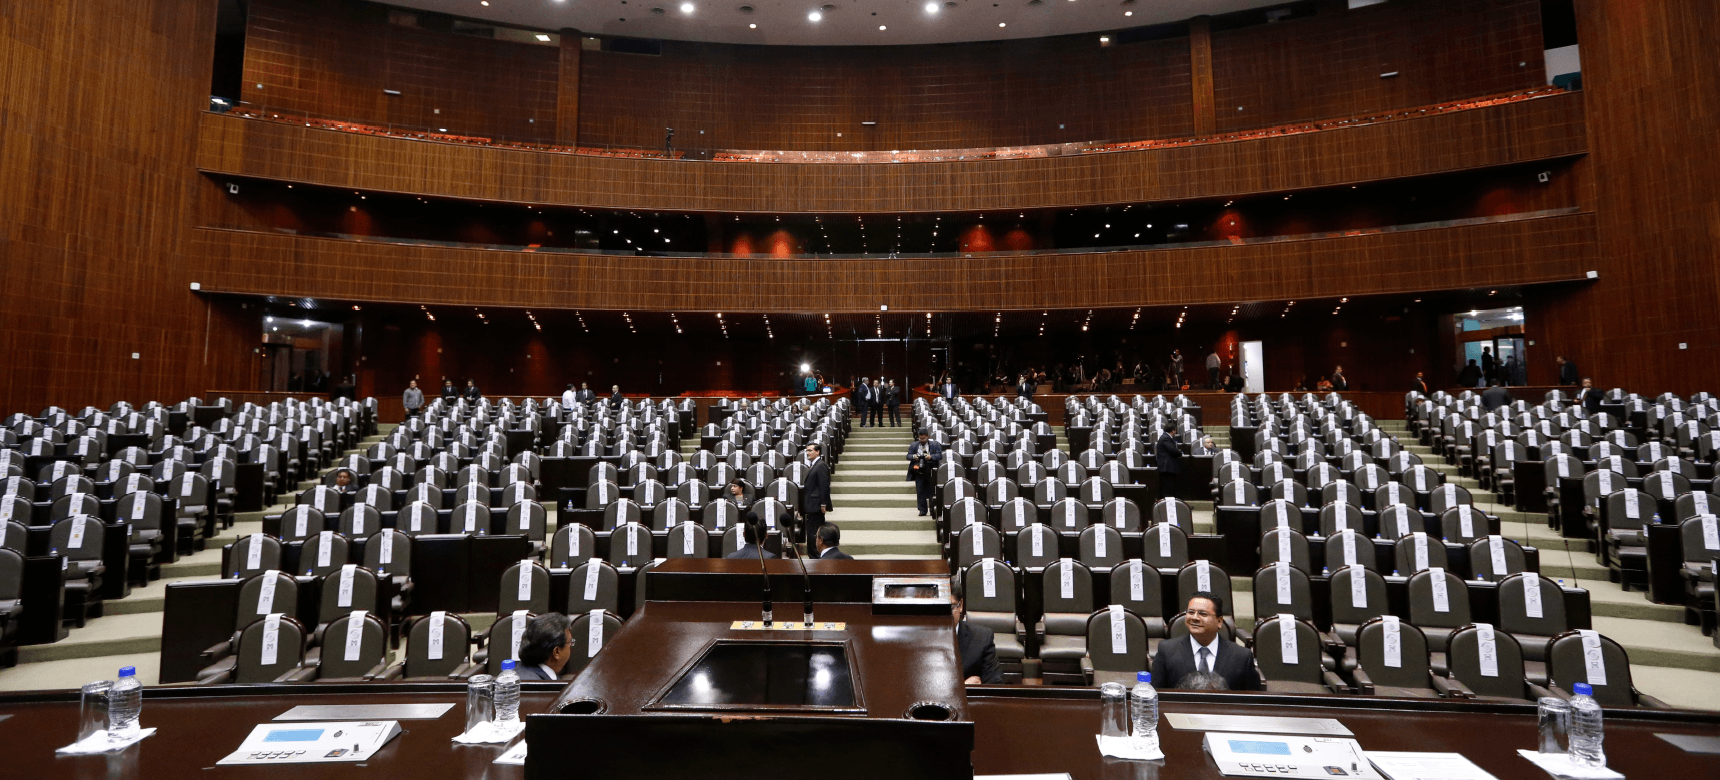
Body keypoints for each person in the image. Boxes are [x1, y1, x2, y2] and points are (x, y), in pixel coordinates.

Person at [1150, 592, 1262, 691]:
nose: (1194, 618)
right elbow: (1155, 693)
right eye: (1191, 612)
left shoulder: (1242, 656)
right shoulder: (1167, 650)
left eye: (1202, 614)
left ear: (1219, 621)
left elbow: (1253, 699)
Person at [951, 576, 1003, 684]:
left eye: (950, 607)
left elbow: (995, 685)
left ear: (961, 605)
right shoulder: (919, 639)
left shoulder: (982, 638)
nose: (944, 615)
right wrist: (963, 687)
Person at [515, 612, 573, 681]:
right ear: (556, 652)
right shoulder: (538, 687)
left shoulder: (519, 671)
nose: (570, 647)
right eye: (570, 642)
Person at [907, 429, 943, 516]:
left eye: (923, 438)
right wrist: (914, 456)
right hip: (918, 470)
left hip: (931, 470)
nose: (922, 440)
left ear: (928, 437)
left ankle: (932, 510)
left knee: (931, 491)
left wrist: (931, 457)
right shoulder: (914, 445)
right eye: (920, 438)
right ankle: (922, 510)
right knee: (920, 491)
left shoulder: (935, 444)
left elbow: (939, 455)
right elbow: (908, 456)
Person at [801, 443, 831, 531]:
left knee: (814, 531)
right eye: (807, 450)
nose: (807, 453)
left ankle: (814, 545)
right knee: (814, 530)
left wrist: (823, 504)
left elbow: (824, 485)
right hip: (813, 504)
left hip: (816, 505)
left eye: (810, 450)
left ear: (817, 452)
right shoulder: (815, 464)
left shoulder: (820, 465)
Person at [1155, 427, 1183, 500]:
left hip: (1168, 466)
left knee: (1170, 486)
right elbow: (1173, 451)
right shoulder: (1166, 438)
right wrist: (1180, 452)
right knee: (1168, 487)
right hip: (1167, 466)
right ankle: (1169, 503)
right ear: (1173, 430)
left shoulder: (1165, 437)